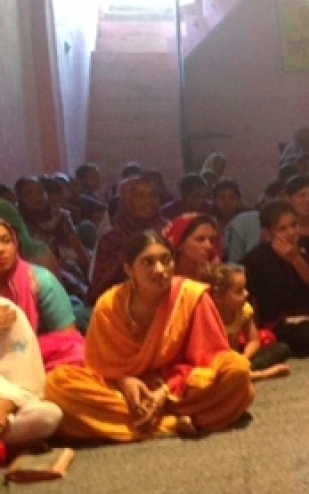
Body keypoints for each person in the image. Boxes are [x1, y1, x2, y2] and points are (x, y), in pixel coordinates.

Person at [45, 230, 254, 442]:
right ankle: (170, 423)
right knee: (58, 385)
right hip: (126, 393)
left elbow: (210, 358)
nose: (160, 270)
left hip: (180, 388)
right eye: (148, 262)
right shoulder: (109, 305)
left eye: (166, 260)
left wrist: (165, 390)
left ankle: (146, 418)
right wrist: (125, 381)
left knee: (236, 370)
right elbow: (101, 367)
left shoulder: (191, 296)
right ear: (129, 269)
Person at [241, 200, 309, 357]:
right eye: (283, 229)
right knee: (308, 335)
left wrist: (296, 259)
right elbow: (247, 298)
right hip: (279, 324)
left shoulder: (308, 244)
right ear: (268, 233)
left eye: (294, 225)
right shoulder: (257, 257)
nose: (291, 232)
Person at [0, 218, 86, 370]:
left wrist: (26, 349)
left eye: (6, 241)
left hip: (41, 363)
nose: (1, 249)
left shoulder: (40, 281)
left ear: (16, 243)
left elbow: (69, 342)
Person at [87, 175, 165, 305]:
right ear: (126, 201)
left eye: (153, 195)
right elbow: (100, 286)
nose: (148, 201)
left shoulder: (168, 231)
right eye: (139, 196)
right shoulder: (111, 240)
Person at [205, 263, 291, 381]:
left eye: (244, 288)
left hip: (239, 357)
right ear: (219, 297)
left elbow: (254, 341)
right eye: (239, 291)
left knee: (282, 348)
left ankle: (244, 371)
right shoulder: (208, 315)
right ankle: (253, 374)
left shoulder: (244, 310)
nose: (246, 293)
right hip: (217, 361)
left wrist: (244, 358)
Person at [0, 300, 63, 451]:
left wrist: (6, 404)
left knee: (48, 416)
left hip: (7, 403)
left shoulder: (5, 310)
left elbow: (24, 382)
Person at [14, 175, 90, 300]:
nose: (36, 197)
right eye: (29, 193)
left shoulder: (61, 216)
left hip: (67, 267)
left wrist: (90, 274)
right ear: (20, 199)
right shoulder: (18, 224)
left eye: (40, 192)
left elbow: (77, 247)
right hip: (36, 274)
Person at [165, 213, 220, 280]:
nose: (209, 246)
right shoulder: (163, 277)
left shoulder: (217, 278)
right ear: (180, 243)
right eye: (200, 239)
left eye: (212, 240)